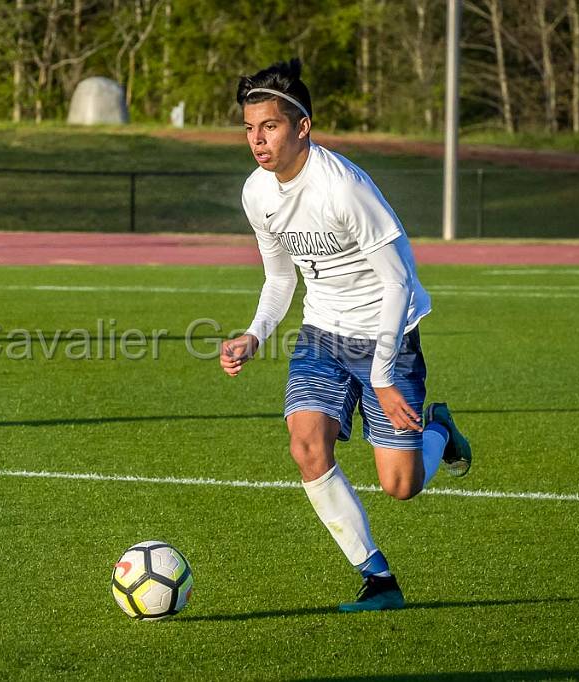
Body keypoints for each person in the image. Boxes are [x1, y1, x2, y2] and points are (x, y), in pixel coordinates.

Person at [219, 58, 473, 612]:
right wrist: (256, 335)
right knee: (306, 445)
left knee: (401, 486)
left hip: (388, 336)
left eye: (270, 127)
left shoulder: (344, 188)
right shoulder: (257, 193)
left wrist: (381, 376)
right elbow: (280, 277)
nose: (257, 141)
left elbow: (400, 281)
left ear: (302, 127)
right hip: (322, 335)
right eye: (249, 128)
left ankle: (439, 433)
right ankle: (378, 579)